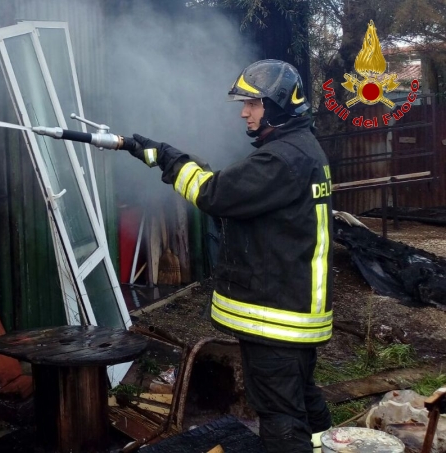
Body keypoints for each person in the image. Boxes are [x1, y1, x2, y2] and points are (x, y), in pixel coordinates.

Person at [127, 59, 333, 452]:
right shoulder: (304, 151)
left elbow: (213, 194)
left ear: (276, 105)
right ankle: (327, 446)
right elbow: (234, 188)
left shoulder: (281, 160)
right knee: (303, 399)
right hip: (295, 313)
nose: (244, 112)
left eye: (253, 104)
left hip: (278, 318)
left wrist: (166, 157)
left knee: (280, 418)